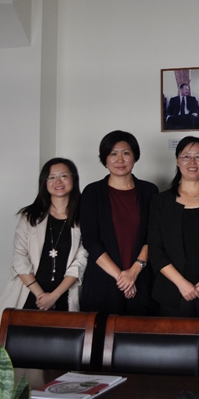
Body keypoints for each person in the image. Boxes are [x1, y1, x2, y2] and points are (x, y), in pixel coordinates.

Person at [148, 136, 199, 370]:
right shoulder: (160, 201)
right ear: (177, 161)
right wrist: (182, 284)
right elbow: (155, 249)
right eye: (186, 156)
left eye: (198, 157)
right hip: (172, 292)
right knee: (175, 358)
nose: (192, 162)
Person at [0, 158, 88, 336]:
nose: (58, 182)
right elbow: (19, 258)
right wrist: (41, 296)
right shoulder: (30, 216)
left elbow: (81, 261)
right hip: (29, 294)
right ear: (44, 183)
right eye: (51, 177)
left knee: (63, 346)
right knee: (21, 346)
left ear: (74, 179)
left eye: (64, 176)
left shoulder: (84, 218)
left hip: (64, 295)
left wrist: (54, 296)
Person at [80, 130, 159, 315]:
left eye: (126, 153)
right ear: (105, 159)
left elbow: (154, 236)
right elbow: (90, 240)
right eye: (113, 154)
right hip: (102, 281)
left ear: (135, 156)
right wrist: (121, 277)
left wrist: (134, 272)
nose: (120, 160)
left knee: (140, 330)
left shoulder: (150, 191)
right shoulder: (92, 192)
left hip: (141, 279)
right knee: (100, 331)